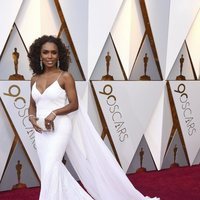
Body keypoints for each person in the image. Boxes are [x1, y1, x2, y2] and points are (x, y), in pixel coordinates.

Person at [28, 35, 159, 200]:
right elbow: (32, 105)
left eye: (53, 53)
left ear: (59, 55)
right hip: (41, 132)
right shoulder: (34, 79)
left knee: (51, 167)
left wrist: (54, 113)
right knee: (49, 168)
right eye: (45, 52)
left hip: (60, 127)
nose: (49, 56)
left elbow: (74, 104)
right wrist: (32, 119)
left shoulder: (65, 77)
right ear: (39, 55)